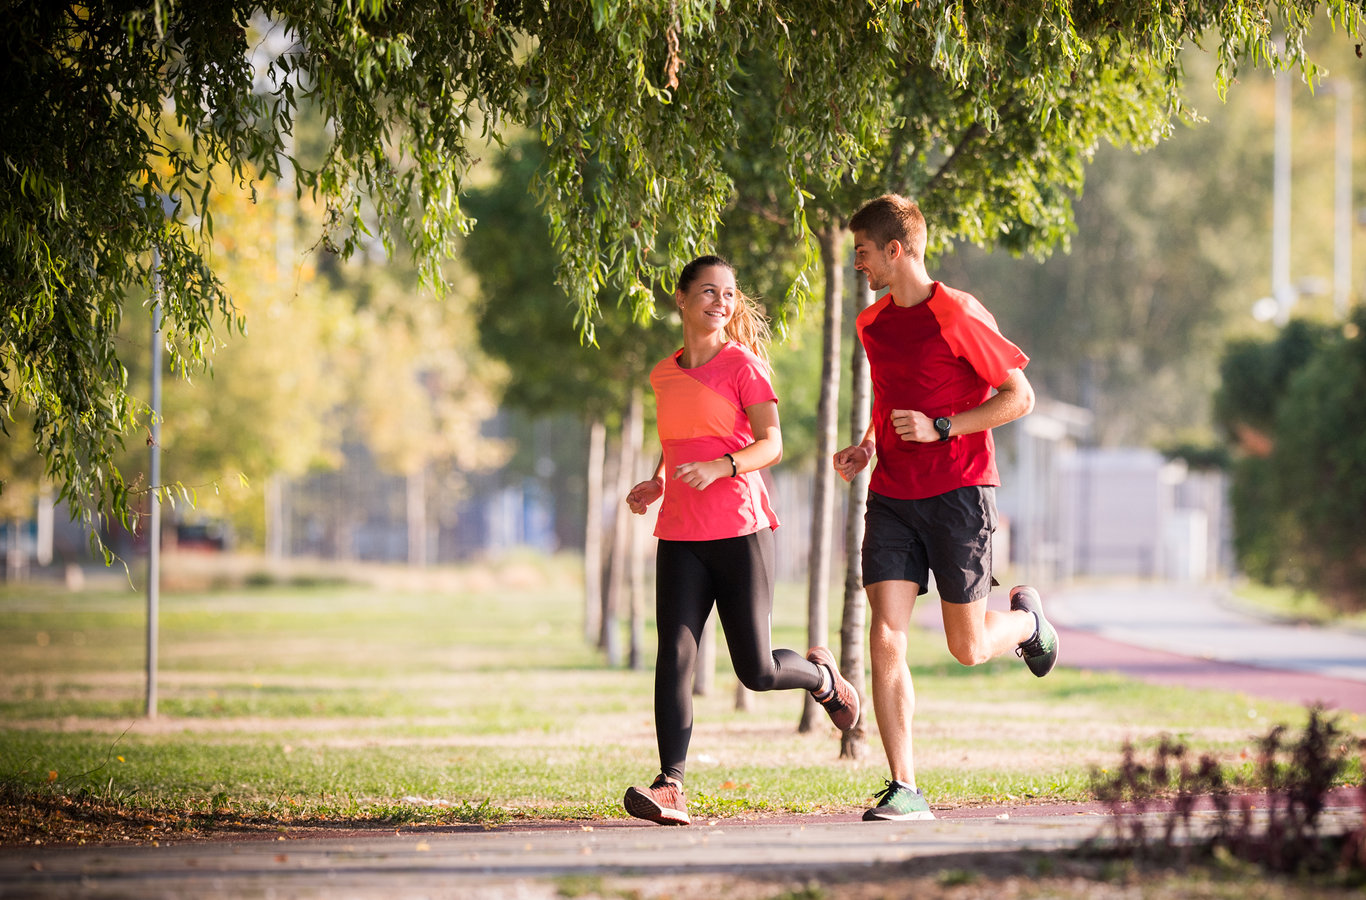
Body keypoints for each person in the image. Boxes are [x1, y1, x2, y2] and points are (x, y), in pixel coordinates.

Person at [832, 195, 1059, 822]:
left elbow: (1020, 396)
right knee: (885, 635)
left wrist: (942, 426)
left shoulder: (957, 313)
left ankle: (1029, 625)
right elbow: (888, 396)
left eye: (865, 253)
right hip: (893, 497)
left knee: (968, 647)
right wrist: (868, 446)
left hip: (960, 493)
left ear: (896, 251)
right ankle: (904, 786)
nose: (860, 265)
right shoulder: (871, 322)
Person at [621, 254, 860, 826]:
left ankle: (824, 680)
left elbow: (771, 444)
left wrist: (724, 467)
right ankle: (671, 784)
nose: (720, 303)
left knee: (755, 669)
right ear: (680, 299)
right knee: (674, 654)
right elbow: (680, 437)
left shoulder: (743, 365)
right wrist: (657, 479)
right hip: (679, 530)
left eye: (728, 294)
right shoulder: (663, 373)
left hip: (739, 528)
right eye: (707, 292)